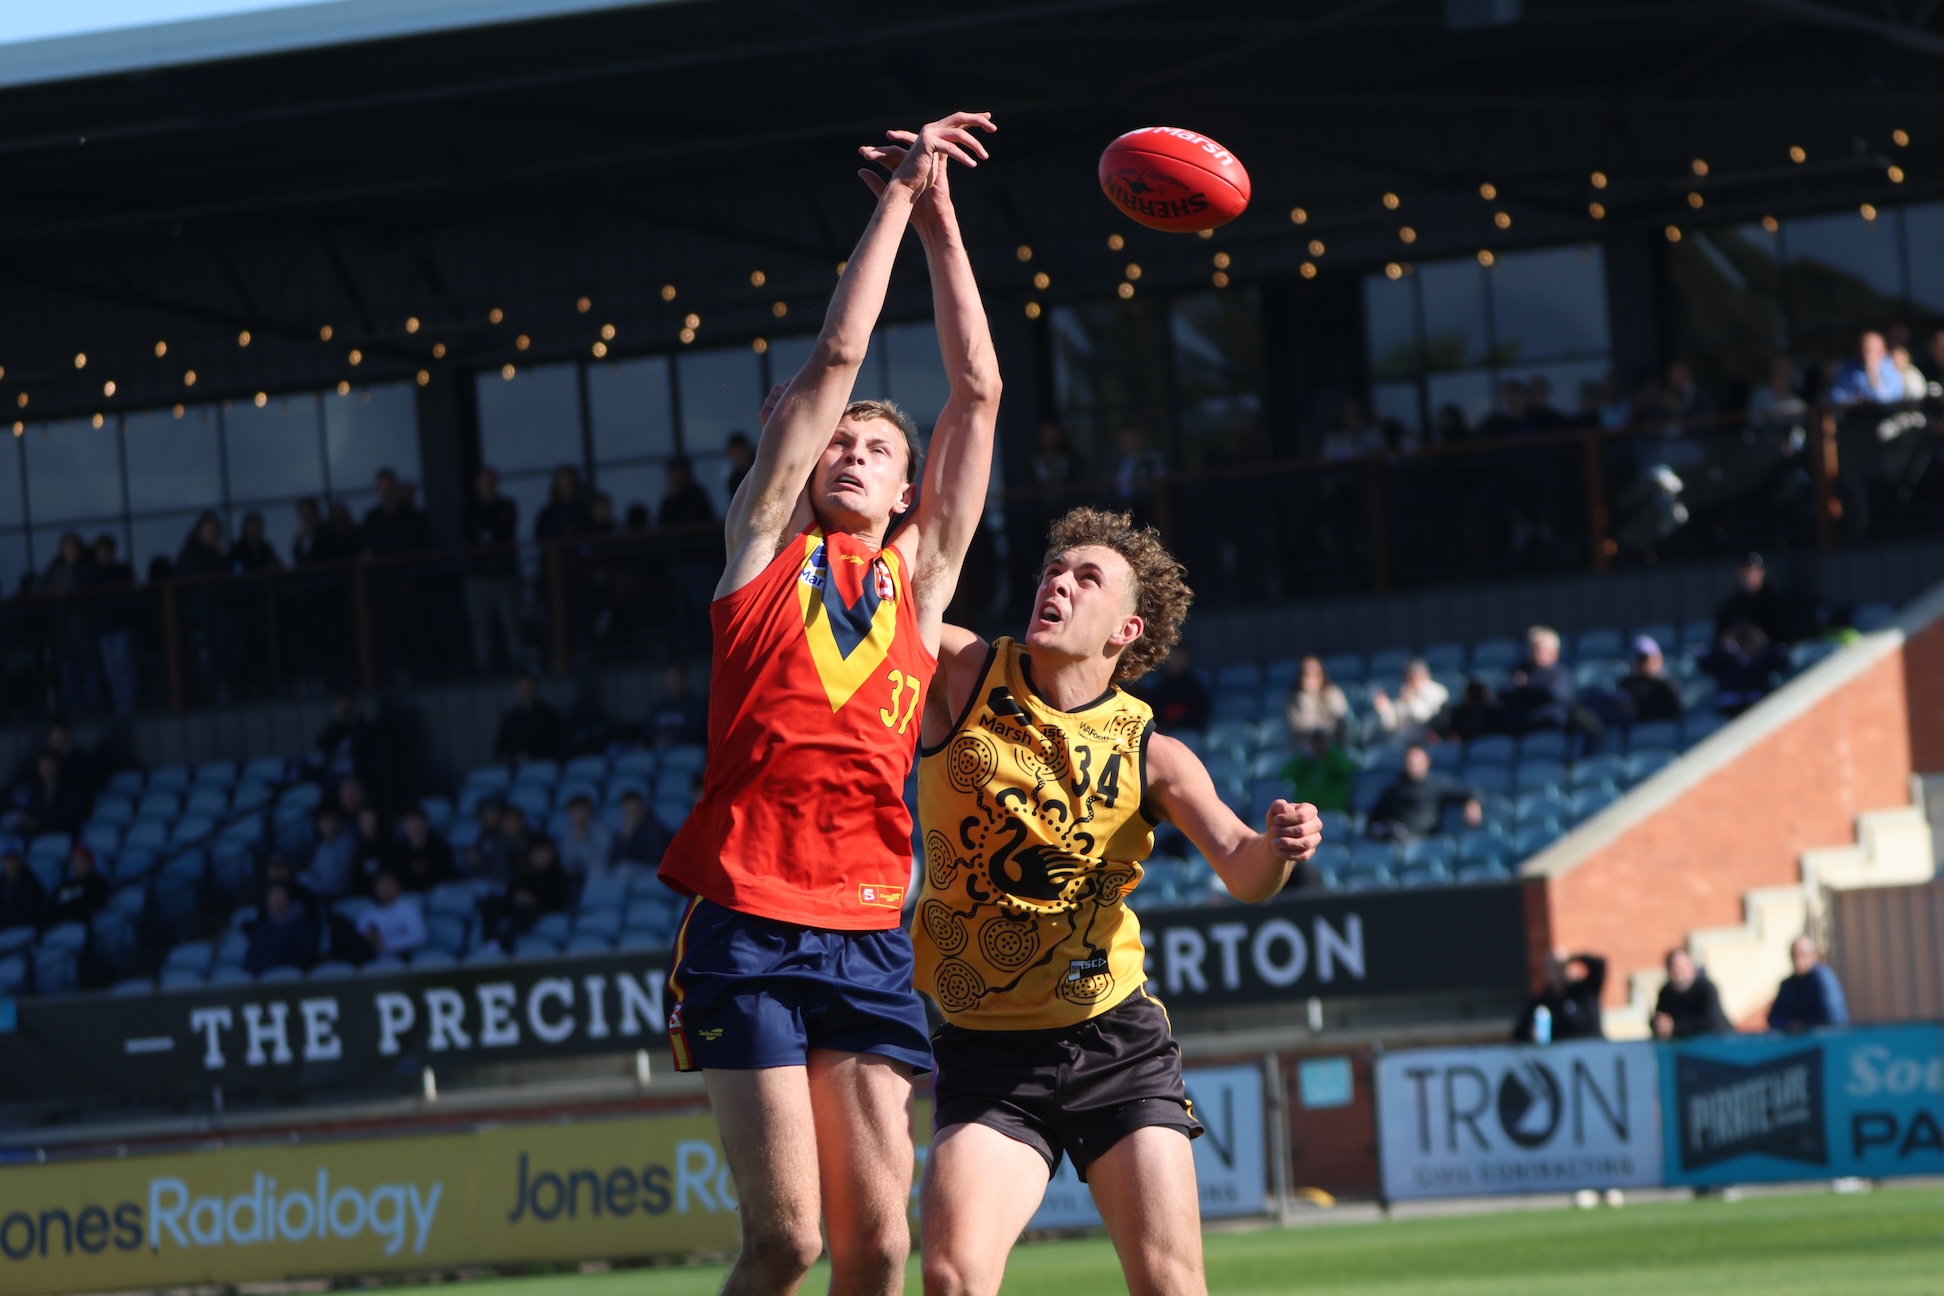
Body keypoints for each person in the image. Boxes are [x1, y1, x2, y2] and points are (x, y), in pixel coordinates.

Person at [657, 111, 1000, 1296]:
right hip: (746, 922)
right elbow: (840, 355)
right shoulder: (760, 550)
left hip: (865, 930)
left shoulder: (918, 582)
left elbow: (979, 390)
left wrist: (945, 220)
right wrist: (897, 195)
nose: (852, 451)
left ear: (909, 490)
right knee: (786, 1243)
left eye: (877, 449)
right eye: (835, 442)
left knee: (883, 1246)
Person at [912, 505, 1322, 1296]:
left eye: (1086, 578)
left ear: (1126, 631)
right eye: (1053, 571)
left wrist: (1278, 846)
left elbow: (1244, 870)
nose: (1058, 584)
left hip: (1114, 1043)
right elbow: (890, 601)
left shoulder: (1154, 753)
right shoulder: (963, 672)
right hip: (986, 1051)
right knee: (952, 1278)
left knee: (1171, 1286)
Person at [463, 466, 524, 672]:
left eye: (490, 482)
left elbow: (503, 534)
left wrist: (487, 534)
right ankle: (484, 671)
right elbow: (469, 537)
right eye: (483, 482)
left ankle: (520, 669)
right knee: (481, 627)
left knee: (512, 623)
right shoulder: (470, 509)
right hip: (478, 577)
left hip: (504, 574)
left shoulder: (507, 506)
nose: (487, 486)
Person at [1366, 743, 1482, 840]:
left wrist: (1473, 802)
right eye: (1409, 758)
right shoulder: (1394, 788)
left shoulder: (1437, 784)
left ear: (1427, 761)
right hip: (1393, 838)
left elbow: (1470, 791)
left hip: (1422, 840)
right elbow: (1374, 819)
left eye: (1416, 758)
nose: (1412, 761)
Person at [89, 534, 141, 714]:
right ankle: (118, 700)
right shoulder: (92, 574)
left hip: (121, 623)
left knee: (124, 663)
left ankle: (128, 701)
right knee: (111, 667)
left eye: (106, 551)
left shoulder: (121, 570)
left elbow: (129, 592)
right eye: (100, 551)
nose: (104, 555)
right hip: (104, 627)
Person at [490, 835, 570, 947]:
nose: (541, 856)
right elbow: (513, 890)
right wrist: (516, 897)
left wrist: (534, 900)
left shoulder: (559, 876)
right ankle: (488, 942)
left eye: (544, 852)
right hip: (518, 908)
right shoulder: (526, 874)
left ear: (552, 854)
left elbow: (559, 900)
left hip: (540, 910)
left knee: (527, 910)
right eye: (537, 852)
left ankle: (504, 942)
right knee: (491, 902)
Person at [1514, 949, 1607, 1041]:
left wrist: (1571, 957)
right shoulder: (1540, 1002)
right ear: (1546, 971)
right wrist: (1530, 1034)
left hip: (1592, 1046)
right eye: (1554, 967)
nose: (1559, 971)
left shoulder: (1585, 990)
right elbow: (1519, 1033)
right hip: (1560, 1049)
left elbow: (1599, 965)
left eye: (1562, 966)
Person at [1498, 626, 1575, 734]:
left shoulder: (1561, 673)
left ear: (1554, 653)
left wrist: (1526, 686)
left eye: (1541, 650)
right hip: (1520, 726)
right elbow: (1503, 692)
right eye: (1534, 650)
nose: (1537, 654)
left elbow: (1556, 694)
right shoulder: (1520, 670)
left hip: (1549, 727)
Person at [1700, 621, 1788, 716]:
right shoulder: (1724, 657)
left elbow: (1783, 665)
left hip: (1759, 704)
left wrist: (1764, 643)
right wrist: (1724, 646)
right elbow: (1705, 665)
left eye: (1747, 639)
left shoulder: (1762, 656)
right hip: (1729, 708)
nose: (1744, 642)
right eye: (1740, 639)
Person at [1768, 934, 1849, 1031]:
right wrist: (1791, 1024)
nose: (1798, 960)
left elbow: (1832, 1018)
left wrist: (1805, 1025)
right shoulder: (1788, 985)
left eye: (1803, 955)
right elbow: (1773, 1018)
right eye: (1794, 955)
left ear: (1813, 956)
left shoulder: (1822, 980)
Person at [1713, 552, 1795, 646]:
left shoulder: (1776, 605)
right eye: (1745, 572)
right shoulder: (1730, 608)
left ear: (1762, 572)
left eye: (1753, 572)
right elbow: (1719, 638)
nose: (1750, 577)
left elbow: (1786, 638)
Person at [1652, 948, 1731, 1038]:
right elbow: (1658, 1019)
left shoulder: (1706, 988)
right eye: (1672, 966)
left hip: (1718, 1042)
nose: (1677, 971)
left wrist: (1675, 1027)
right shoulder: (1666, 993)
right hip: (1682, 1045)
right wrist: (1659, 1025)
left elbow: (1710, 1021)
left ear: (1692, 968)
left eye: (1681, 967)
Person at [244, 880, 320, 974]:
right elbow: (252, 959)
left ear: (287, 898)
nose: (277, 901)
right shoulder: (261, 928)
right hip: (267, 978)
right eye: (274, 897)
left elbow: (307, 954)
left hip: (295, 976)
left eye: (280, 896)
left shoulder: (301, 924)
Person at [1369, 657, 1449, 745]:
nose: (1411, 681)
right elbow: (1390, 727)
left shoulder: (1437, 692)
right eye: (1407, 677)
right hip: (1401, 742)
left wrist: (1411, 701)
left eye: (1414, 677)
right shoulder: (1404, 692)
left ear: (1425, 675)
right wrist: (1385, 710)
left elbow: (1424, 720)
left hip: (1426, 742)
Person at [494, 672, 566, 765]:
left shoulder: (550, 717)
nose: (526, 693)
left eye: (529, 689)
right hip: (516, 769)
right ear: (517, 690)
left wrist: (532, 757)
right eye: (523, 689)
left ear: (535, 688)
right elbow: (500, 750)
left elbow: (557, 746)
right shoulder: (510, 720)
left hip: (544, 766)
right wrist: (514, 758)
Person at [1136, 646, 1211, 734]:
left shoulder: (1195, 685)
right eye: (1173, 657)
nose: (1176, 661)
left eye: (1180, 657)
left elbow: (1200, 712)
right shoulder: (1156, 684)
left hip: (1188, 731)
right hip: (1160, 731)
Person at [355, 868, 426, 958]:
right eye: (382, 884)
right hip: (374, 958)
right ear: (374, 888)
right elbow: (360, 936)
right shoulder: (368, 912)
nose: (386, 888)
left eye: (389, 884)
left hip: (403, 956)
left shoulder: (408, 908)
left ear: (397, 886)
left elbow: (419, 936)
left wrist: (385, 944)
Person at [1284, 655, 1349, 752]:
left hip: (1333, 747)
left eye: (1315, 674)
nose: (1309, 678)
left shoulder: (1333, 694)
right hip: (1305, 751)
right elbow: (1299, 727)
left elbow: (1340, 720)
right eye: (1305, 674)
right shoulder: (1293, 700)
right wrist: (1306, 700)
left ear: (1322, 675)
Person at [15, 749, 85, 838]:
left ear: (57, 766)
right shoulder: (36, 790)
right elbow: (31, 811)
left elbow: (70, 818)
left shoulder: (70, 789)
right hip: (39, 836)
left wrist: (39, 824)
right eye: (43, 765)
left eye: (50, 764)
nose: (47, 768)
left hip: (63, 836)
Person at [1615, 635, 1682, 724]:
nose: (1643, 665)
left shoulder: (1666, 686)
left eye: (1646, 660)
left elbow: (1675, 713)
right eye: (1639, 660)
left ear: (1658, 659)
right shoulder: (1626, 685)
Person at [385, 806, 455, 892]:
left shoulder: (440, 847)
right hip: (409, 894)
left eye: (418, 822)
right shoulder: (398, 851)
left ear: (426, 823)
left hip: (438, 891)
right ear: (404, 826)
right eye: (411, 823)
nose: (415, 827)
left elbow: (446, 874)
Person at [1828, 329, 1904, 405]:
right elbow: (1836, 396)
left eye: (1872, 349)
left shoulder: (1891, 370)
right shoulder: (1850, 368)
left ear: (1883, 351)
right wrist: (1855, 399)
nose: (1868, 354)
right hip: (1854, 411)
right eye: (1865, 348)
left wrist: (1873, 374)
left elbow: (1885, 400)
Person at [43, 844, 109, 930]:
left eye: (82, 860)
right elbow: (52, 909)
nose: (79, 864)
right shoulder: (64, 887)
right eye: (76, 860)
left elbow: (93, 904)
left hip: (81, 927)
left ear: (89, 862)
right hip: (61, 928)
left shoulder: (97, 883)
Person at [303, 804, 358, 900]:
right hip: (322, 896)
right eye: (323, 821)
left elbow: (340, 880)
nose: (327, 824)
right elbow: (314, 872)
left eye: (329, 820)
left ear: (338, 820)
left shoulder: (348, 842)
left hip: (344, 897)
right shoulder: (321, 846)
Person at [646, 664, 708, 748]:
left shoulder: (696, 706)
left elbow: (697, 733)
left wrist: (672, 740)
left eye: (675, 679)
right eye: (669, 679)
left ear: (684, 680)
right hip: (658, 750)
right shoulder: (659, 707)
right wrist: (652, 741)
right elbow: (647, 732)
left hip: (685, 749)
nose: (672, 683)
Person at [558, 793, 613, 880]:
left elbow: (601, 862)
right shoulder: (567, 832)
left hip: (597, 873)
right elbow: (567, 859)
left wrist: (582, 841)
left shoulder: (602, 830)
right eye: (575, 811)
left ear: (589, 812)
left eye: (582, 811)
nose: (579, 815)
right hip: (574, 874)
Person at [613, 790, 670, 868]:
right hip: (633, 869)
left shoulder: (655, 829)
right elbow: (617, 859)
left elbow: (655, 859)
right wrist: (626, 839)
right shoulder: (625, 829)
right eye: (628, 811)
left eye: (634, 810)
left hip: (653, 868)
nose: (631, 815)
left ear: (642, 807)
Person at [659, 455, 717, 529]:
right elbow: (663, 522)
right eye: (673, 472)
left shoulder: (696, 494)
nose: (676, 476)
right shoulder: (669, 495)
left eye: (678, 472)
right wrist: (669, 499)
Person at [0, 849, 46, 929]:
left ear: (19, 861)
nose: (10, 864)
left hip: (23, 926)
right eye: (7, 861)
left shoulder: (30, 882)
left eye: (12, 860)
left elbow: (31, 911)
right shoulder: (2, 882)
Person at [725, 431, 756, 499]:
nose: (739, 456)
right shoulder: (734, 480)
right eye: (736, 453)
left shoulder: (760, 471)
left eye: (741, 452)